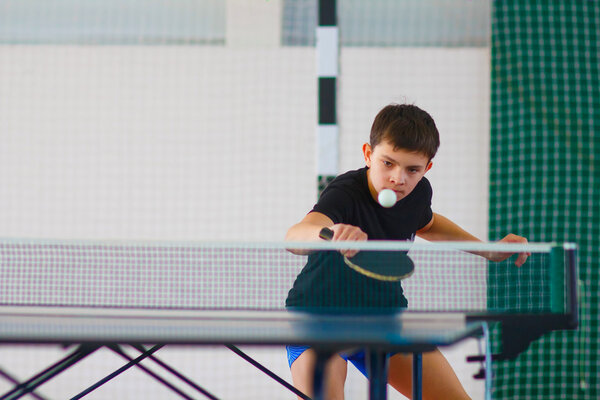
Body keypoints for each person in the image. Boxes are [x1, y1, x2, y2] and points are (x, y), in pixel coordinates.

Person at [284, 104, 529, 400]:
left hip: (383, 318)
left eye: (412, 169)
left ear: (427, 168)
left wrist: (485, 250)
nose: (398, 179)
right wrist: (330, 234)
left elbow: (428, 223)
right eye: (388, 163)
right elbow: (296, 235)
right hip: (318, 320)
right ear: (368, 154)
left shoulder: (418, 192)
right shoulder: (346, 192)